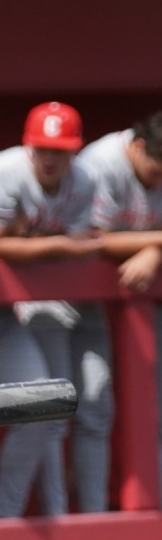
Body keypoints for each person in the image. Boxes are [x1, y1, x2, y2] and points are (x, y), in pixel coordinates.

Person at [0, 101, 104, 517]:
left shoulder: (84, 181)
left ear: (74, 151)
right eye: (42, 148)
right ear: (29, 147)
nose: (50, 158)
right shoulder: (1, 172)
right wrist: (57, 245)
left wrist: (41, 247)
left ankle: (31, 521)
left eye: (59, 149)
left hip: (14, 314)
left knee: (47, 409)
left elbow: (84, 251)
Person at [75, 111, 162, 506]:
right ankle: (91, 517)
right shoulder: (100, 164)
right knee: (84, 410)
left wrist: (152, 249)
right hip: (63, 305)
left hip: (133, 307)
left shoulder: (148, 164)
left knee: (148, 410)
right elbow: (93, 240)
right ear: (140, 146)